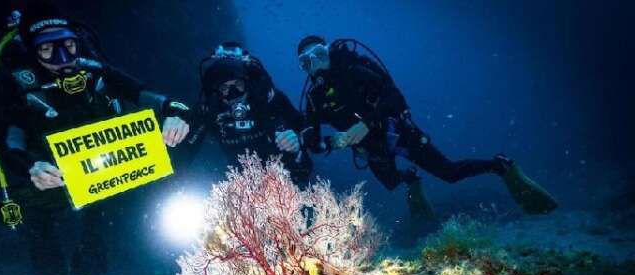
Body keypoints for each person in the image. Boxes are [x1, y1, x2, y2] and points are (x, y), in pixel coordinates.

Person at [0, 5, 190, 275]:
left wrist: (175, 116)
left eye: (69, 46)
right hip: (52, 176)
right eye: (47, 50)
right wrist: (31, 167)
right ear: (31, 52)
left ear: (78, 43)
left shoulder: (97, 72)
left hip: (104, 172)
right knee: (43, 244)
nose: (63, 59)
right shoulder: (21, 87)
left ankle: (100, 253)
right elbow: (9, 143)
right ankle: (50, 262)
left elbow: (162, 99)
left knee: (97, 243)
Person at [295, 36, 557, 222]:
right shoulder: (314, 97)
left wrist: (367, 123)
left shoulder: (356, 70)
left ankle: (500, 166)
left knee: (449, 173)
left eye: (318, 54)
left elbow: (395, 98)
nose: (315, 64)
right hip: (370, 149)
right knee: (391, 181)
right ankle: (411, 179)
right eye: (306, 62)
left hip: (397, 134)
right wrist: (334, 142)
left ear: (328, 52)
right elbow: (310, 138)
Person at [180, 42, 312, 186]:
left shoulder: (269, 99)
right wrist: (175, 118)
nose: (233, 93)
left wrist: (297, 144)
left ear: (247, 83)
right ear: (216, 92)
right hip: (240, 184)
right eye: (224, 88)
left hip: (282, 179)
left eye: (238, 85)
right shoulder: (211, 109)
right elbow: (187, 139)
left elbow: (307, 132)